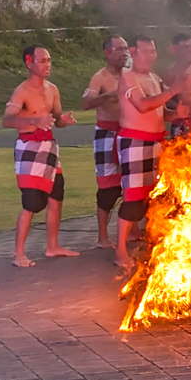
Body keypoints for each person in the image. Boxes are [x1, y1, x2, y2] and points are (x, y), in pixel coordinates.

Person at [3, 46, 79, 268]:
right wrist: (34, 122)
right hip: (29, 147)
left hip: (49, 147)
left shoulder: (52, 89)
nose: (48, 64)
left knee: (57, 195)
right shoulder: (22, 91)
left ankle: (52, 246)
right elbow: (7, 120)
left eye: (49, 60)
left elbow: (57, 119)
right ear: (29, 63)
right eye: (42, 60)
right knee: (32, 201)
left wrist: (64, 119)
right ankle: (18, 253)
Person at [115, 35, 186, 271]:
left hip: (156, 141)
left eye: (153, 52)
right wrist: (172, 91)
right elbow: (143, 105)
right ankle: (120, 251)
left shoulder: (154, 78)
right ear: (134, 53)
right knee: (133, 198)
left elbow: (161, 112)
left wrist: (177, 114)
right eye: (146, 52)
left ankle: (152, 242)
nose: (151, 56)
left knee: (153, 195)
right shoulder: (128, 77)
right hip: (134, 141)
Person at [82, 34, 129, 250]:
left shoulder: (130, 75)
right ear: (107, 53)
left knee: (131, 184)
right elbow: (86, 103)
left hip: (128, 133)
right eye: (119, 49)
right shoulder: (99, 77)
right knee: (108, 188)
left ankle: (133, 229)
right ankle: (102, 235)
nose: (124, 53)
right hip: (107, 134)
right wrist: (107, 96)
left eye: (126, 49)